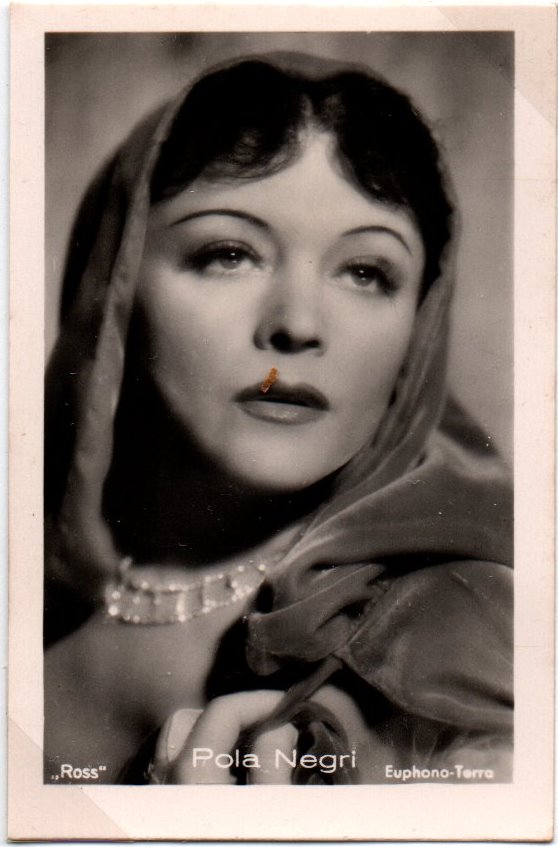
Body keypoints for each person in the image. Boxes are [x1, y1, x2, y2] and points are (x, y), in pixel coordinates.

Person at [43, 53, 513, 785]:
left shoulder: (451, 655)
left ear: (419, 330)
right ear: (114, 291)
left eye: (366, 272)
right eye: (229, 253)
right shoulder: (33, 582)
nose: (298, 324)